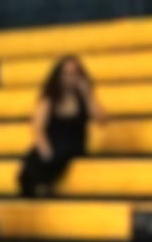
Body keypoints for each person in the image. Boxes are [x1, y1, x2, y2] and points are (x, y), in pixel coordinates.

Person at [20, 56, 107, 197]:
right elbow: (38, 128)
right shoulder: (49, 99)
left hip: (74, 144)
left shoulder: (83, 98)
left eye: (75, 74)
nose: (70, 78)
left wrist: (88, 95)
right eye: (66, 74)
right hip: (52, 143)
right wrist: (45, 151)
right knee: (33, 160)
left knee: (60, 154)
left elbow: (102, 121)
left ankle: (45, 186)